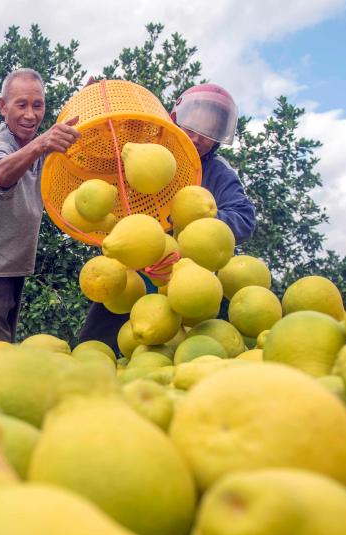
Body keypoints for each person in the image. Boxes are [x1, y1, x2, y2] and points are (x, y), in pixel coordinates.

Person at [77, 82, 257, 352]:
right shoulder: (144, 148)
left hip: (185, 285)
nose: (198, 137)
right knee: (96, 347)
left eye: (210, 131)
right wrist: (94, 115)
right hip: (127, 272)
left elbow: (244, 219)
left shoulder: (219, 172)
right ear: (175, 118)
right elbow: (98, 160)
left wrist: (194, 221)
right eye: (193, 125)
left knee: (179, 354)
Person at [0, 68, 80, 343]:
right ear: (3, 106)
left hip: (13, 269)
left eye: (38, 105)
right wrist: (41, 143)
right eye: (21, 104)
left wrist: (88, 103)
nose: (30, 114)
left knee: (2, 350)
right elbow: (1, 175)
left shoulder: (39, 148)